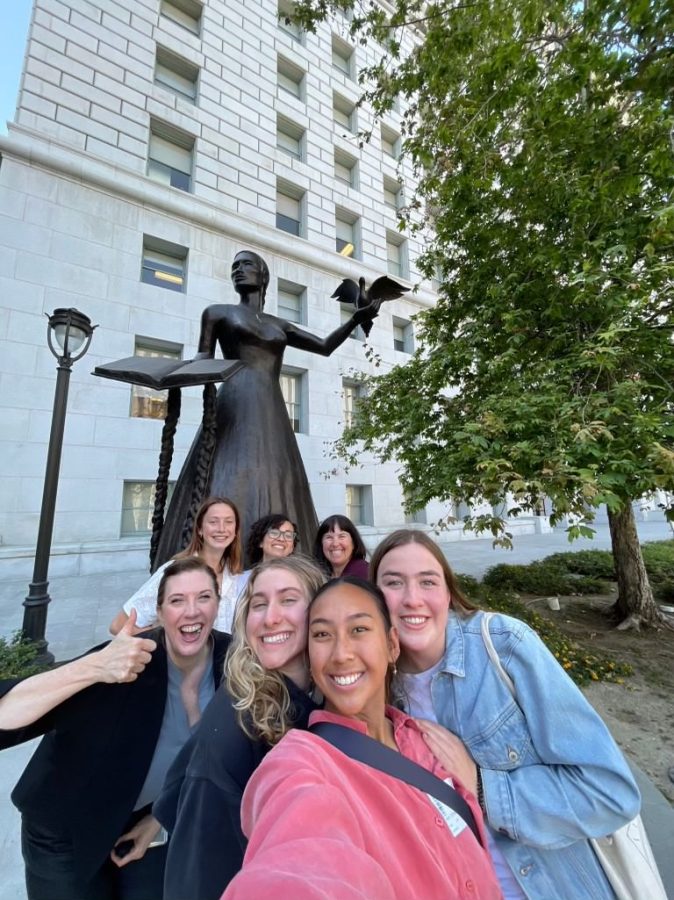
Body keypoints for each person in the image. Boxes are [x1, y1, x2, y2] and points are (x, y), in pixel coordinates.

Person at [370, 529, 642, 900]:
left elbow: (611, 793)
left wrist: (482, 786)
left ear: (448, 593)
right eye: (393, 583)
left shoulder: (503, 645)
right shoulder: (378, 692)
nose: (412, 598)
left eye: (427, 581)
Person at [223, 577, 501, 899]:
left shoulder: (430, 742)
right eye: (322, 635)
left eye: (358, 629)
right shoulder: (302, 762)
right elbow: (301, 859)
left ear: (392, 645)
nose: (341, 654)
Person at [0, 557, 229, 900]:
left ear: (218, 605)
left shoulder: (230, 662)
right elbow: (6, 716)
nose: (191, 611)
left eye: (204, 597)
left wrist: (158, 819)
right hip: (65, 831)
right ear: (160, 611)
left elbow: (210, 757)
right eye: (177, 600)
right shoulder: (125, 660)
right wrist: (94, 667)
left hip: (137, 821)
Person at [154, 250, 383, 566]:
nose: (238, 270)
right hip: (234, 403)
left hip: (271, 408)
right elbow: (202, 359)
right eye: (234, 266)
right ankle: (220, 558)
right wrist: (169, 375)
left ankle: (285, 557)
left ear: (263, 276)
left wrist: (356, 319)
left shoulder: (280, 325)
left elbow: (325, 347)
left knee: (278, 478)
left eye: (246, 264)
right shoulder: (217, 313)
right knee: (227, 472)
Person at [154, 555, 327, 900]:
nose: (270, 618)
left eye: (288, 600)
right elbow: (197, 877)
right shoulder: (237, 730)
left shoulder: (311, 697)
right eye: (258, 604)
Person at [110, 496, 246, 635]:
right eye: (213, 522)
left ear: (235, 531)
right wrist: (164, 640)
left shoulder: (234, 576)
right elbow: (119, 625)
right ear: (200, 529)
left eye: (228, 522)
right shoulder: (175, 572)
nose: (221, 529)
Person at [314, 514, 369, 579]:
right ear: (321, 543)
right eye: (329, 537)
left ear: (354, 542)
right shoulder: (318, 576)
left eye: (342, 536)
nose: (335, 544)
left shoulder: (364, 573)